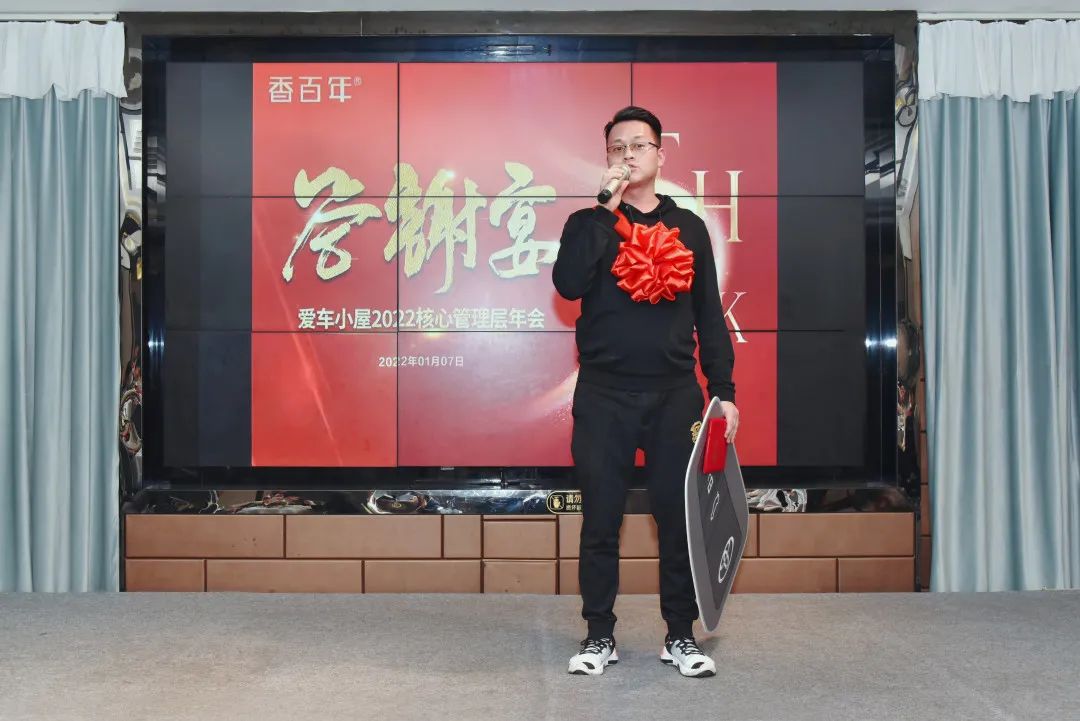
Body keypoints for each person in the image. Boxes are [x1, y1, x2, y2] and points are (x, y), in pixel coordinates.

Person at [553, 106, 739, 678]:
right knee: (600, 520)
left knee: (677, 520)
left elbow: (709, 316)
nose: (627, 155)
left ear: (660, 153)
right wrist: (604, 207)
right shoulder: (588, 223)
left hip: (674, 396)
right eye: (617, 147)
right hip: (603, 395)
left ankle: (680, 634)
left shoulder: (689, 228)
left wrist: (724, 390)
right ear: (606, 157)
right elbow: (567, 284)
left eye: (638, 145)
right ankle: (598, 635)